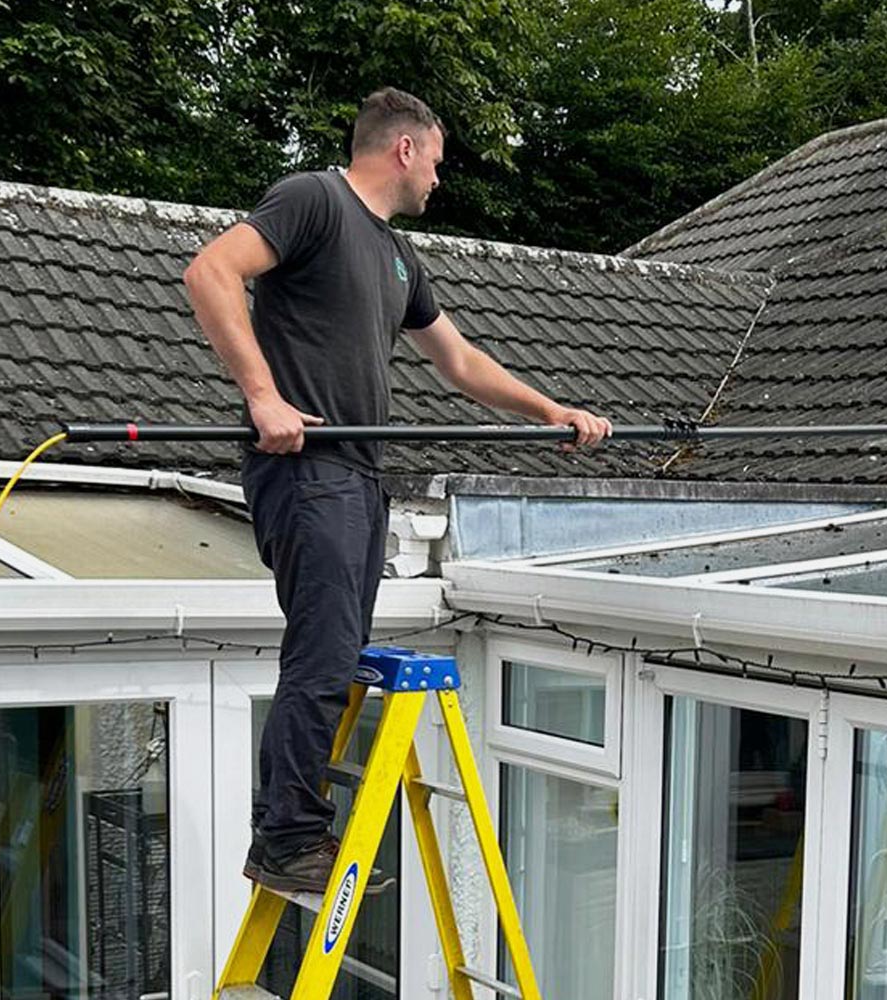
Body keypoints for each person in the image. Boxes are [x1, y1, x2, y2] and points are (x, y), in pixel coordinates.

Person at [184, 86, 612, 893]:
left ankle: (290, 828)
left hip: (356, 475)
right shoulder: (313, 200)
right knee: (321, 653)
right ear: (404, 149)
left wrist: (551, 411)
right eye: (438, 164)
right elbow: (210, 271)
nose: (439, 183)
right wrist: (263, 397)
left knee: (334, 650)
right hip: (308, 471)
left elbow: (459, 362)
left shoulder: (397, 256)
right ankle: (287, 838)